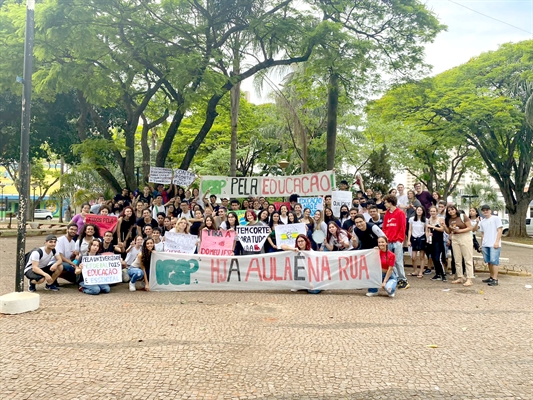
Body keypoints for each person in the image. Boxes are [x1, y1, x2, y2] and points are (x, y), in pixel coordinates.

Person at [382, 195, 409, 289]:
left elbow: (403, 227)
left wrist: (399, 239)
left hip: (397, 241)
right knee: (390, 261)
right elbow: (385, 227)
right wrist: (385, 238)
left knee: (398, 261)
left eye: (385, 202)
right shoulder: (387, 214)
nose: (384, 204)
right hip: (388, 241)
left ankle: (403, 279)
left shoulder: (400, 213)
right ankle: (397, 279)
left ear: (390, 202)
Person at [444, 205, 474, 287]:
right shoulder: (448, 219)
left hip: (465, 236)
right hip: (455, 237)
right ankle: (460, 276)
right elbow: (448, 231)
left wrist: (460, 230)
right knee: (457, 259)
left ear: (455, 209)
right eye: (449, 210)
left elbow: (470, 227)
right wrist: (444, 226)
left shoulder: (462, 216)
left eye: (452, 209)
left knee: (468, 258)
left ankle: (469, 278)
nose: (451, 211)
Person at [478, 205, 503, 286]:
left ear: (490, 210)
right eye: (483, 210)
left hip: (494, 244)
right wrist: (482, 244)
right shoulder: (482, 222)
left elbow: (499, 230)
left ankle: (495, 279)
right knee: (488, 261)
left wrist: (497, 242)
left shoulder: (496, 218)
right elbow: (482, 233)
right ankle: (491, 276)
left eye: (487, 210)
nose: (485, 211)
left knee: (494, 261)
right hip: (486, 244)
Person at [426, 206, 447, 281]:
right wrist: (429, 234)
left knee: (438, 258)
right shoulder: (429, 220)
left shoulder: (440, 219)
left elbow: (442, 229)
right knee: (434, 258)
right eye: (431, 211)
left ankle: (443, 274)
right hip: (432, 241)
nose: (432, 213)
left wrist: (433, 227)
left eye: (434, 211)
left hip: (439, 241)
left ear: (437, 212)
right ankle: (437, 274)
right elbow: (428, 230)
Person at [407, 206, 427, 278]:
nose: (419, 211)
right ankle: (415, 270)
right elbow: (410, 230)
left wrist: (427, 239)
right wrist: (409, 240)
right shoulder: (411, 219)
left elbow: (426, 230)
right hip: (414, 237)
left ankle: (421, 271)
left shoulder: (425, 220)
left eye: (421, 210)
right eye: (418, 210)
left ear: (423, 211)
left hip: (422, 237)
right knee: (413, 257)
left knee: (422, 256)